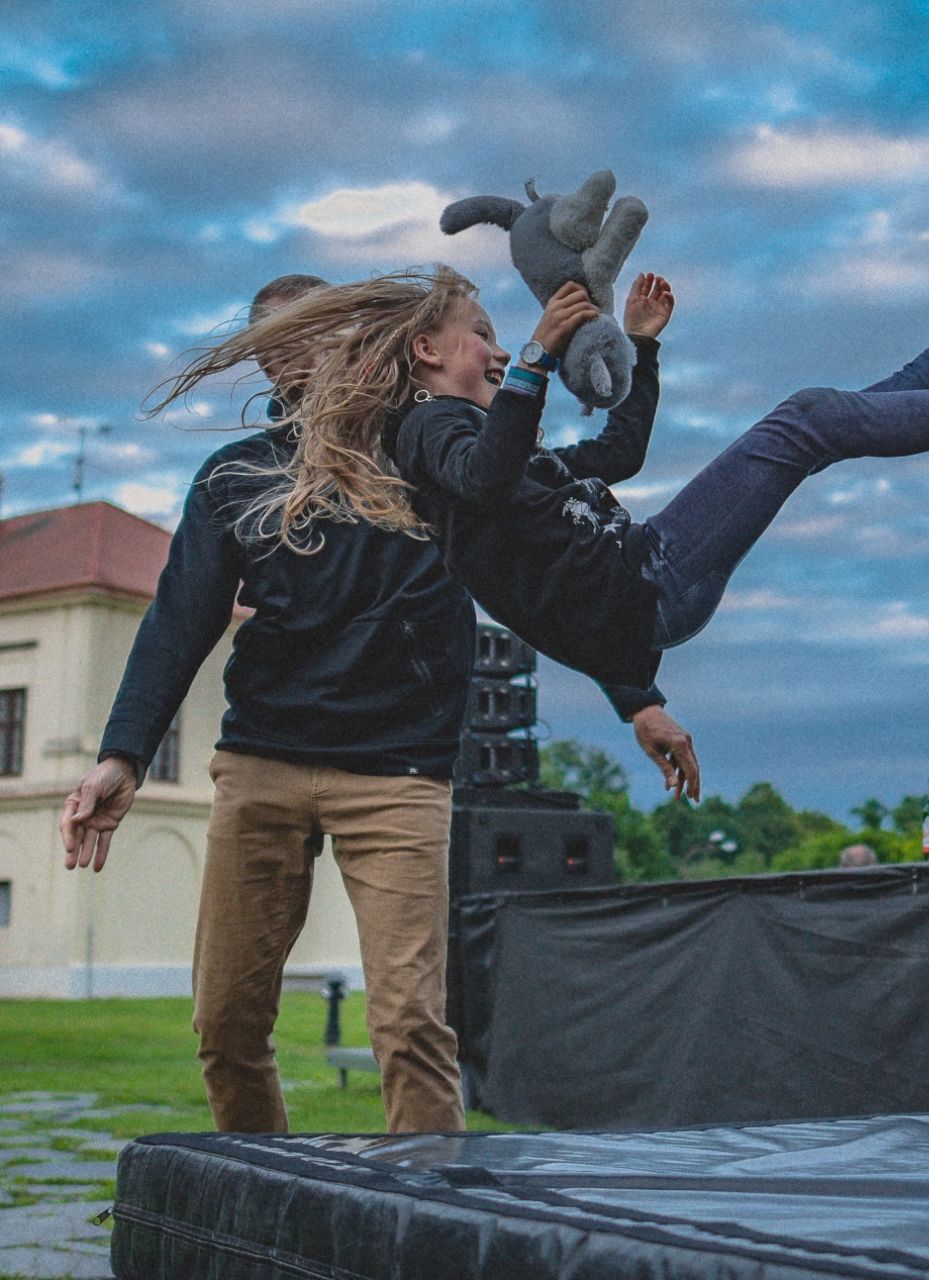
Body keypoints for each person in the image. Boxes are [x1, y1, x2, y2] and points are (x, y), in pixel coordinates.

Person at [60, 273, 699, 1136]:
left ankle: (427, 1209)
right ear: (268, 364)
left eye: (326, 333)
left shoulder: (436, 451)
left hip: (399, 775)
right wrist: (122, 756)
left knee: (410, 1026)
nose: (310, 354)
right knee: (227, 1026)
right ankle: (265, 1194)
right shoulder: (235, 478)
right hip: (262, 766)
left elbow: (540, 574)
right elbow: (179, 623)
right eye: (287, 344)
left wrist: (637, 698)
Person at [151, 238, 929, 698]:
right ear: (425, 354)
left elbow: (618, 453)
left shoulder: (469, 450)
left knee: (810, 433)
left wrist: (643, 348)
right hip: (648, 586)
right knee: (800, 423)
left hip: (647, 574)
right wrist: (537, 358)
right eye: (480, 334)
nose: (495, 349)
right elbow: (486, 473)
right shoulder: (429, 439)